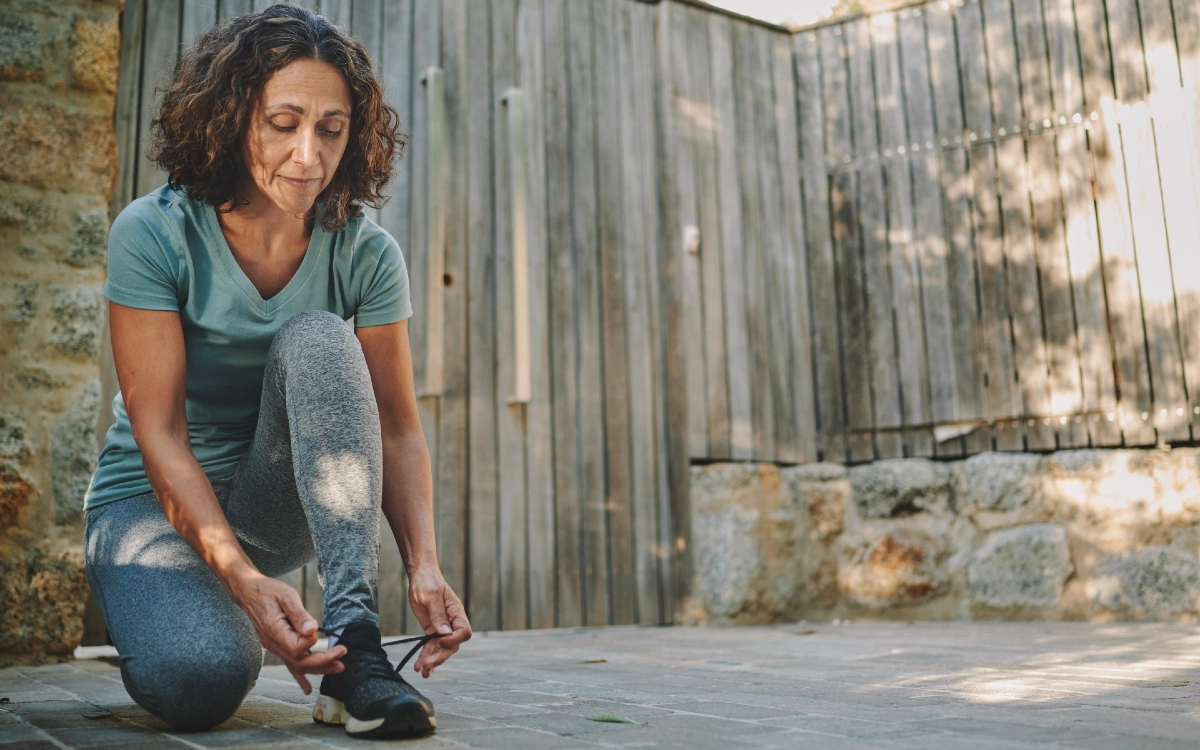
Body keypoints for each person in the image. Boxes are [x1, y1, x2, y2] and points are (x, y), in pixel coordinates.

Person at [82, 4, 471, 739]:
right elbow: (160, 434)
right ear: (231, 120)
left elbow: (396, 427)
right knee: (200, 680)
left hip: (271, 506)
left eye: (331, 129)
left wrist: (425, 564)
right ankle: (185, 603)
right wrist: (242, 583)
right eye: (282, 123)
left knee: (321, 338)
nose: (308, 155)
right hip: (148, 508)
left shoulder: (365, 252)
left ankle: (355, 649)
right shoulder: (154, 233)